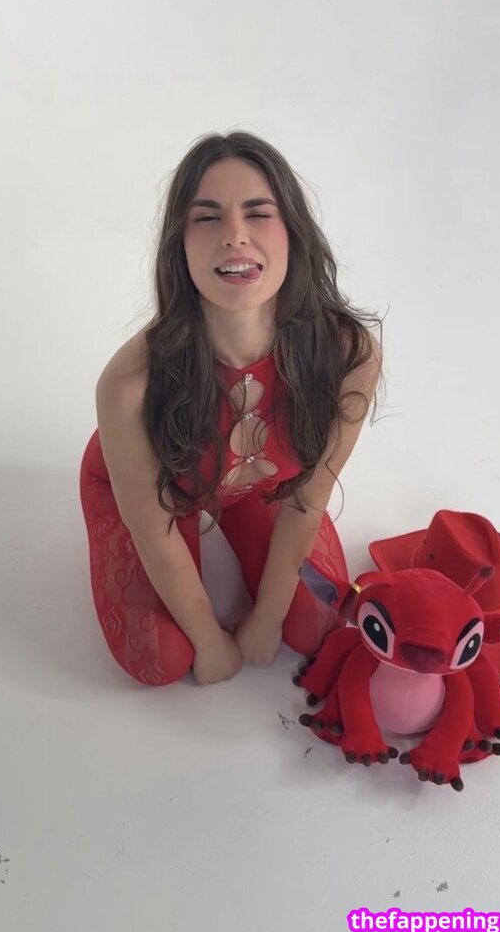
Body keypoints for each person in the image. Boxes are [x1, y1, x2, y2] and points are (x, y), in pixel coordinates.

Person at [79, 131, 383, 687]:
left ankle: (236, 520)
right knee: (160, 660)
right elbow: (155, 532)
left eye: (258, 214)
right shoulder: (128, 386)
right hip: (160, 489)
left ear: (293, 231)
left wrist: (266, 618)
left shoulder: (349, 356)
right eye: (208, 217)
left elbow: (306, 499)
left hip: (260, 488)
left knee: (316, 623)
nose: (235, 235)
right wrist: (209, 640)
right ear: (180, 243)